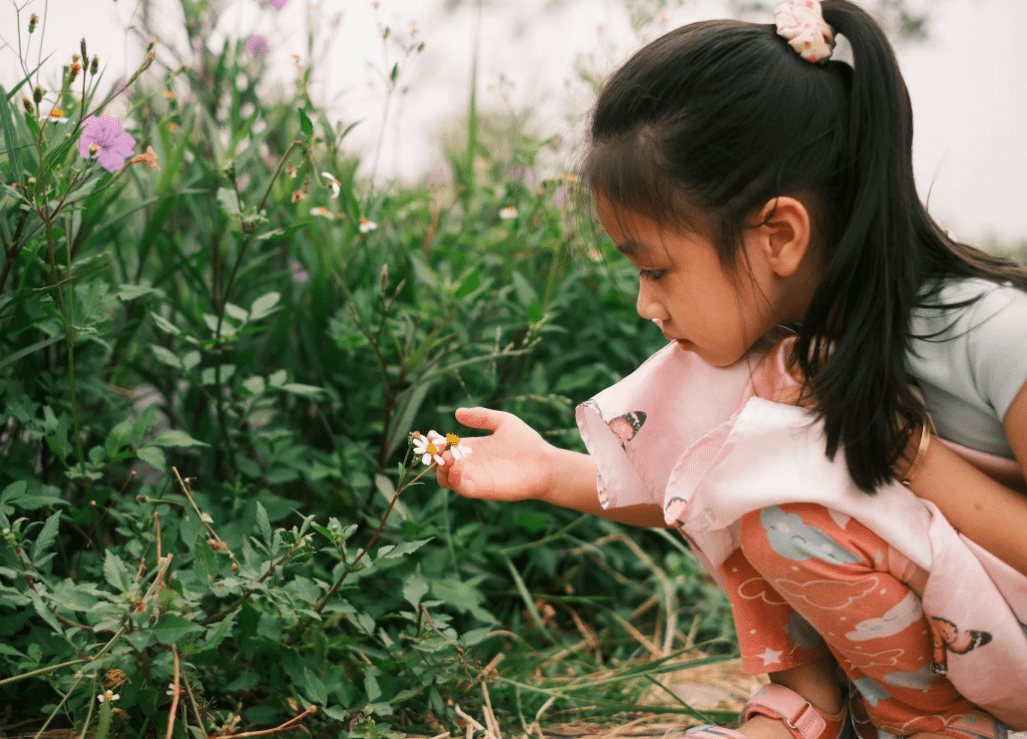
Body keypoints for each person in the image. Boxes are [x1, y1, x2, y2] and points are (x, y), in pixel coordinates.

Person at [433, 1, 1027, 738]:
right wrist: (550, 470)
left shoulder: (996, 337)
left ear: (778, 233)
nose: (646, 303)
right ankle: (814, 707)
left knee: (791, 513)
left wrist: (917, 458)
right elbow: (692, 479)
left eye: (657, 269)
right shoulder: (779, 345)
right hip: (964, 634)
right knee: (749, 476)